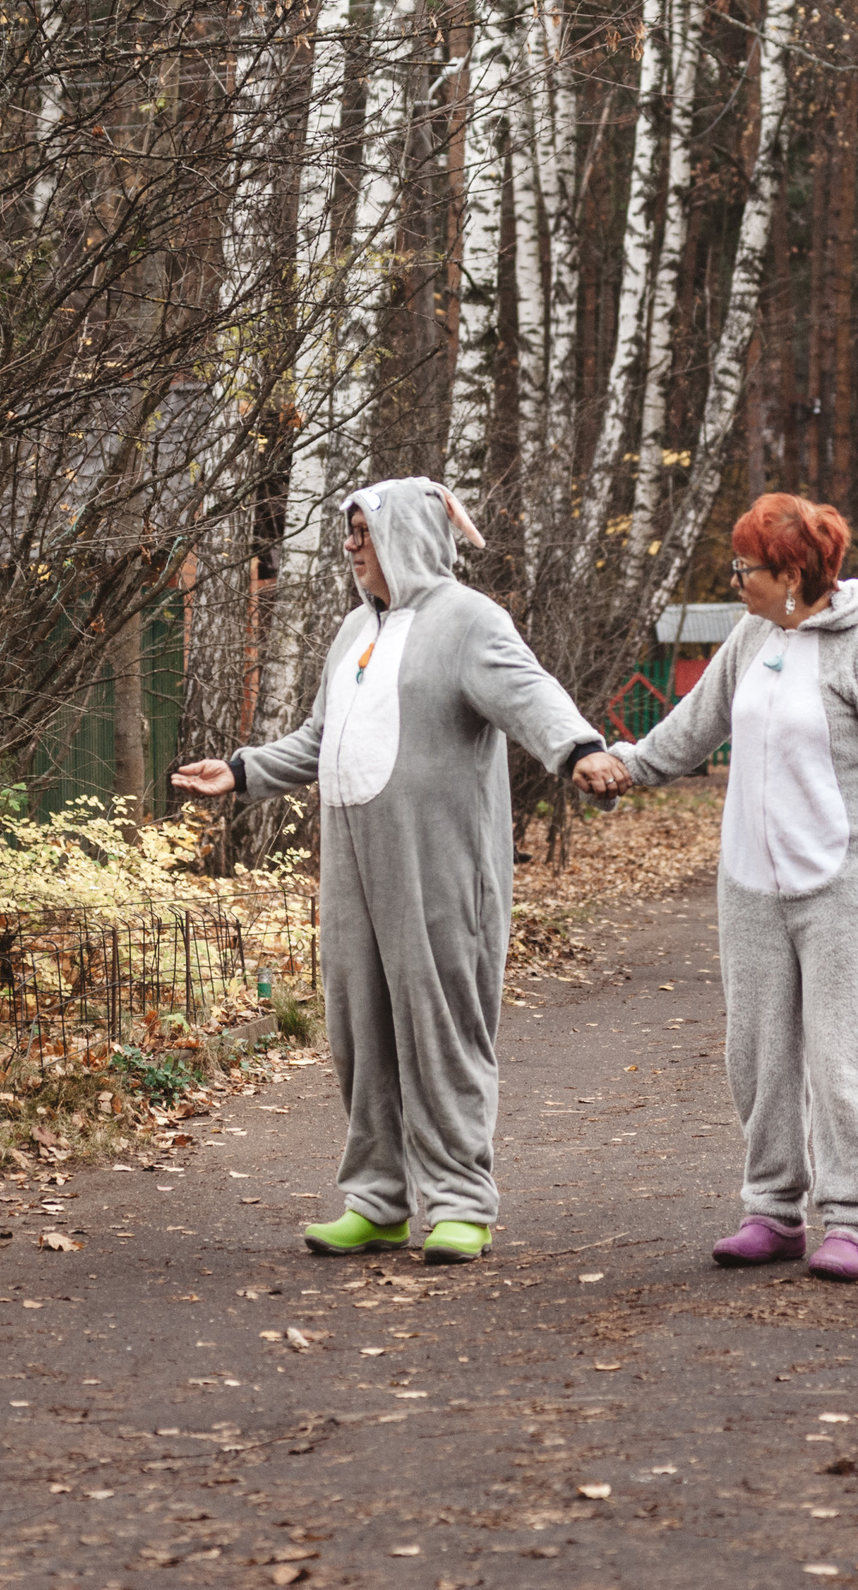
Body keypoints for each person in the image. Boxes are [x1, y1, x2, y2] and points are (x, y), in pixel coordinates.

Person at [174, 477, 630, 1264]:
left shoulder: (468, 621)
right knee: (361, 1029)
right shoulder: (355, 629)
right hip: (354, 865)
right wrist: (244, 770)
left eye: (364, 533)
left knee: (441, 1028)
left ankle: (459, 1203)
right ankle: (378, 1201)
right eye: (348, 533)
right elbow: (321, 741)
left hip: (440, 866)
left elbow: (530, 693)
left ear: (410, 538)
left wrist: (581, 750)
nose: (352, 546)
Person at [607, 493, 858, 1281]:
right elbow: (692, 727)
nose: (737, 580)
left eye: (747, 568)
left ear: (793, 572)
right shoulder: (751, 637)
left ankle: (851, 1219)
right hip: (753, 884)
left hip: (845, 883)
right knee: (758, 1052)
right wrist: (629, 766)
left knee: (846, 1053)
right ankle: (772, 1211)